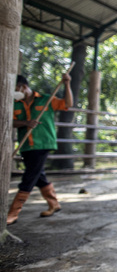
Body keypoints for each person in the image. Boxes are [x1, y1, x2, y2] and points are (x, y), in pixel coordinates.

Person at [7, 73, 73, 225]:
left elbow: (67, 104)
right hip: (26, 145)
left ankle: (13, 213)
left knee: (29, 178)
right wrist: (25, 123)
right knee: (38, 175)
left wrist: (67, 84)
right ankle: (54, 204)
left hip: (43, 144)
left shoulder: (46, 99)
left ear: (23, 87)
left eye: (15, 88)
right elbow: (10, 121)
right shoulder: (15, 103)